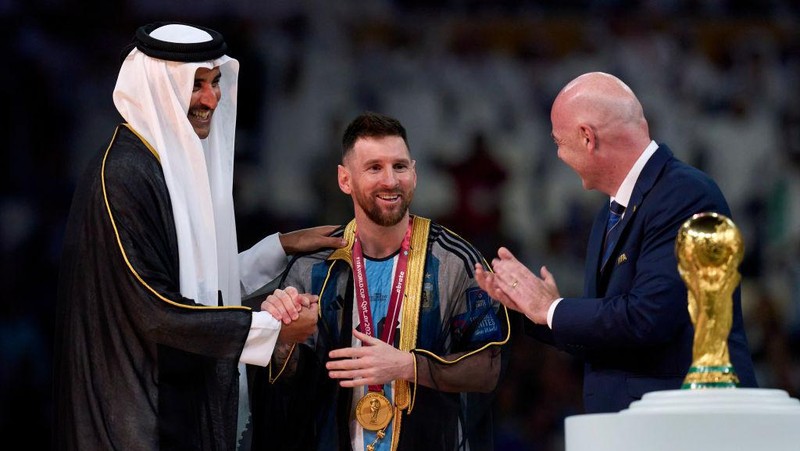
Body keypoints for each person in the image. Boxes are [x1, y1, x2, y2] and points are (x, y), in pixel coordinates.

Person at [53, 22, 345, 450]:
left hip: (170, 405)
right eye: (196, 85)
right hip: (134, 419)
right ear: (161, 89)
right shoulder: (123, 174)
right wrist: (271, 330)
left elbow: (194, 282)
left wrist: (280, 246)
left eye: (215, 82)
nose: (211, 99)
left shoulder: (160, 162)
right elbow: (155, 309)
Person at [475, 72, 758, 414]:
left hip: (689, 422)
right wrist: (538, 312)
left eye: (557, 142)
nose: (559, 155)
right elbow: (612, 333)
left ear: (587, 137)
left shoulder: (684, 195)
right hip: (634, 425)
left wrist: (551, 310)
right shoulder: (610, 215)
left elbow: (647, 319)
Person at [247, 112, 511, 451]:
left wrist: (408, 365)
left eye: (399, 167)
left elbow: (488, 369)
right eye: (374, 168)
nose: (390, 180)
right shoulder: (314, 267)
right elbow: (290, 385)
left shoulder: (456, 261)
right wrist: (281, 341)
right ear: (345, 180)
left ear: (414, 174)